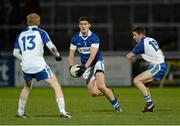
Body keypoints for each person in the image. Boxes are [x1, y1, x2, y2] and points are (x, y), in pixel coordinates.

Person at [13, 13, 71, 118]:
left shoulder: (20, 35)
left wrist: (25, 59)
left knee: (27, 86)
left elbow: (15, 53)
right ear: (38, 22)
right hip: (39, 65)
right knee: (56, 85)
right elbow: (51, 46)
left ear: (27, 22)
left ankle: (20, 112)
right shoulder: (41, 33)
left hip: (26, 66)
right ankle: (62, 111)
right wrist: (57, 55)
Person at [68, 16, 122, 112]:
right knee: (93, 93)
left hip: (97, 62)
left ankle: (117, 107)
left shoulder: (94, 37)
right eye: (81, 24)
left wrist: (84, 68)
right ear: (79, 25)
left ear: (89, 25)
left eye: (85, 24)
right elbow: (71, 54)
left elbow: (92, 56)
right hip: (86, 67)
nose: (83, 26)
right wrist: (71, 67)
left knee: (101, 86)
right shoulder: (75, 38)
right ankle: (110, 93)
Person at [126, 27, 167, 112]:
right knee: (144, 84)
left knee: (136, 80)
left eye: (135, 35)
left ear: (141, 34)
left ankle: (150, 104)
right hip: (158, 64)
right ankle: (149, 106)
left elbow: (130, 56)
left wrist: (130, 57)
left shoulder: (141, 44)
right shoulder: (151, 39)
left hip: (158, 66)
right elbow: (160, 50)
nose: (133, 37)